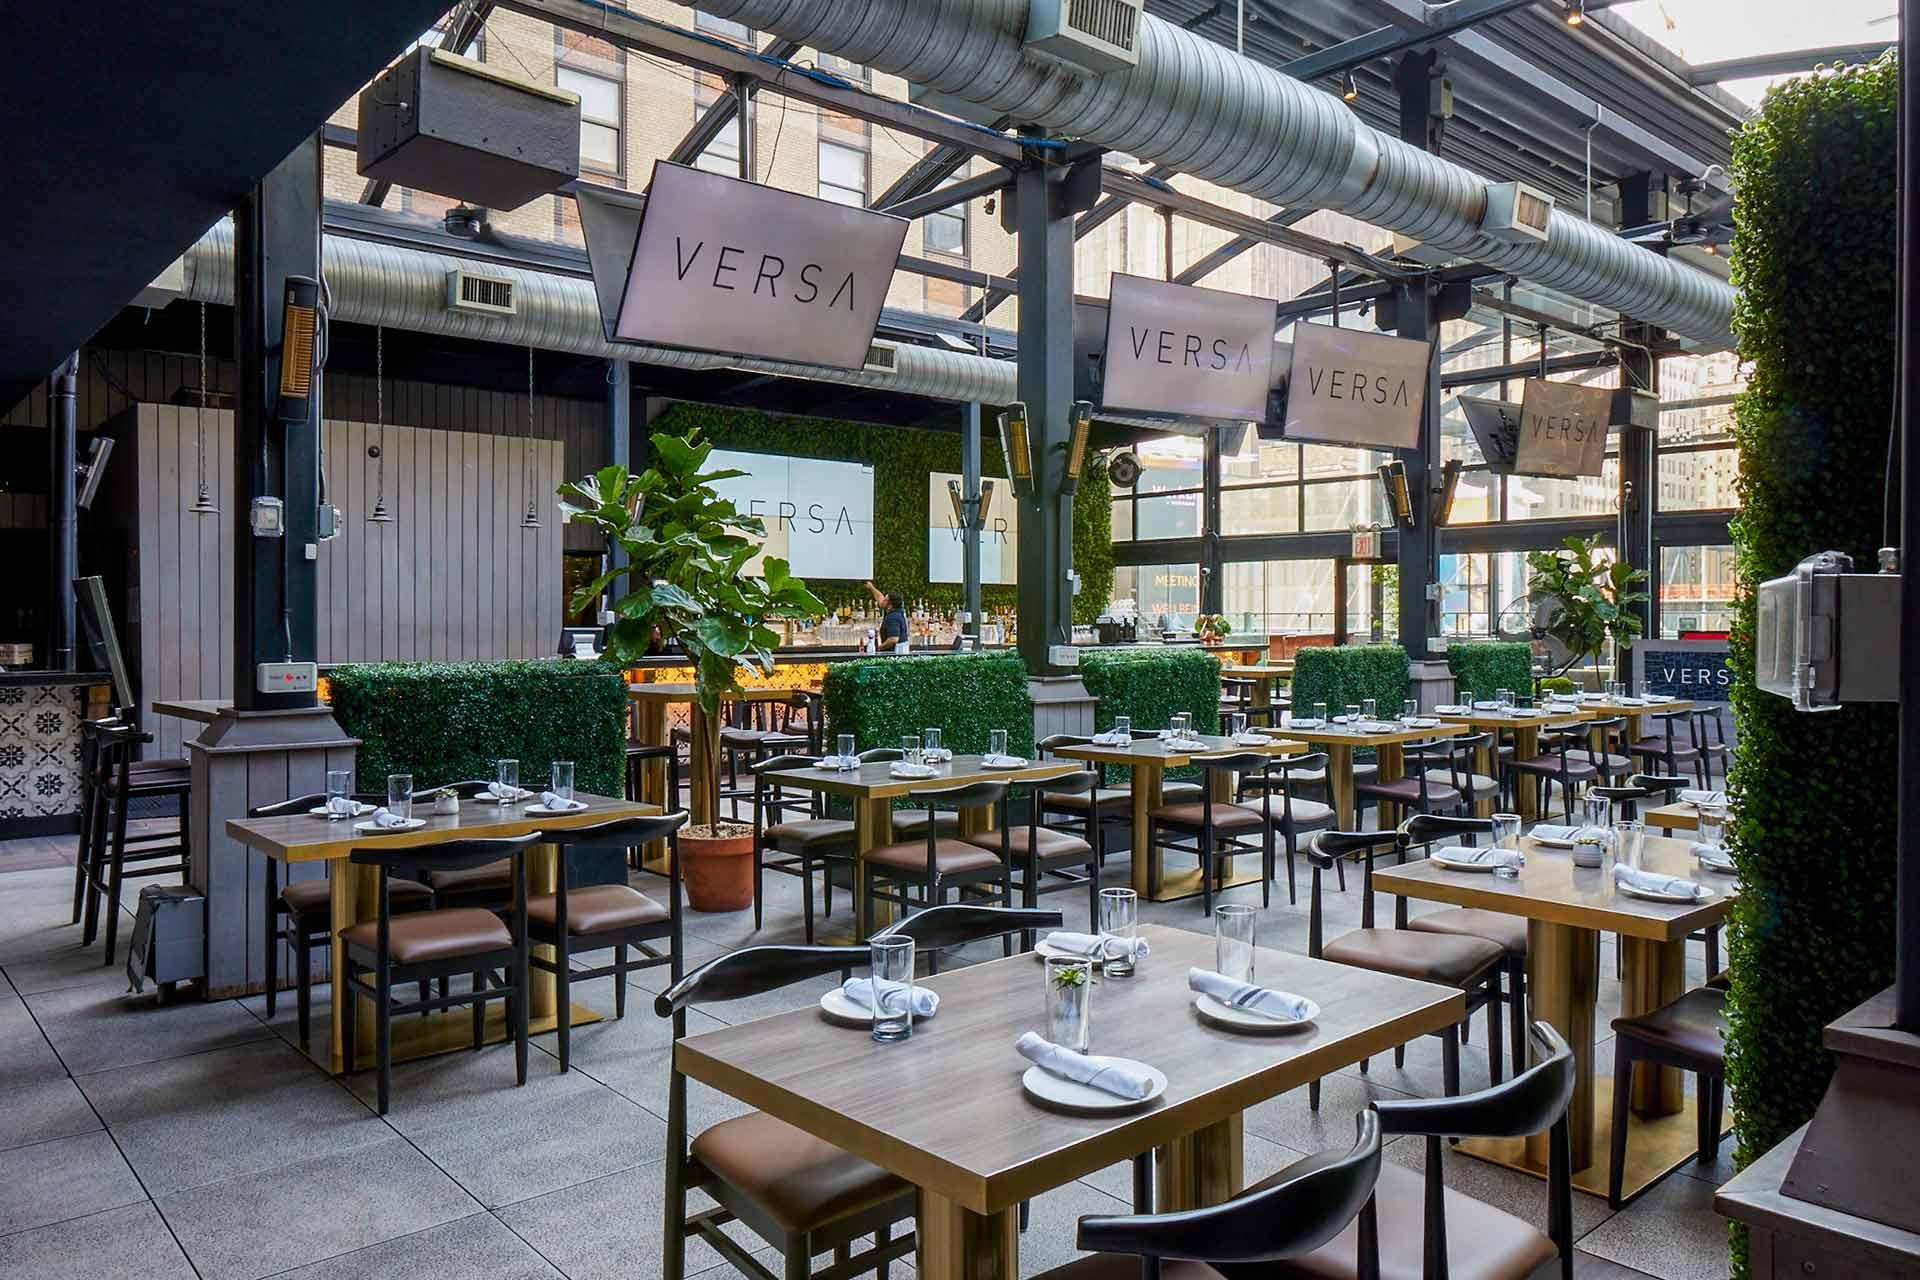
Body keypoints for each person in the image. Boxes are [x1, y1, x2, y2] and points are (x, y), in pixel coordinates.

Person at [864, 581, 910, 652]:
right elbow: (880, 598)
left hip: (895, 654)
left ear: (890, 605)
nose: (882, 600)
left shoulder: (893, 617)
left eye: (885, 600)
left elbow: (893, 639)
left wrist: (877, 649)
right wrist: (871, 587)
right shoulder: (896, 611)